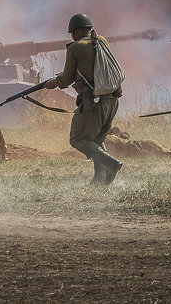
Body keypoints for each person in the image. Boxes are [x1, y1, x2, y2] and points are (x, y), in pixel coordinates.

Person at [41, 13, 123, 185]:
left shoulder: (75, 48)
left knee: (78, 139)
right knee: (96, 141)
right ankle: (99, 179)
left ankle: (111, 164)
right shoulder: (101, 40)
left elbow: (67, 79)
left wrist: (52, 83)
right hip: (113, 100)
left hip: (94, 102)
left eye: (72, 33)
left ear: (76, 32)